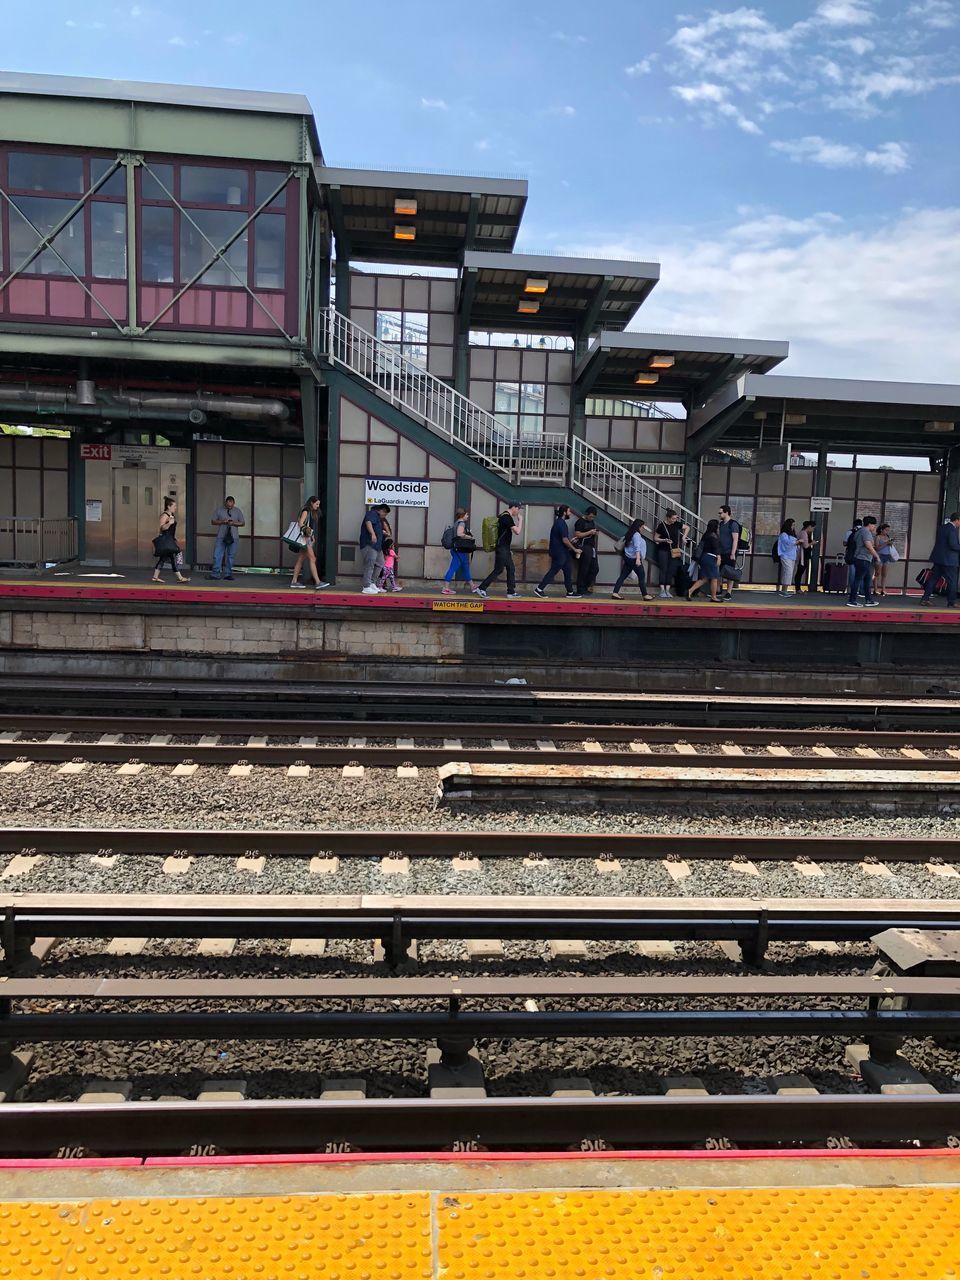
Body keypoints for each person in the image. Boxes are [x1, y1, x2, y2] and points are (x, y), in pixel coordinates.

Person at [477, 502, 522, 598]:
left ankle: (511, 591)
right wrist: (520, 520)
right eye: (518, 509)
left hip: (504, 548)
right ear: (514, 507)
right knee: (499, 569)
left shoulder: (502, 515)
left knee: (511, 568)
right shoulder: (506, 517)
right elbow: (517, 531)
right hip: (502, 548)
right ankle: (482, 588)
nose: (518, 511)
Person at [535, 504, 580, 598]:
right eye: (569, 511)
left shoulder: (560, 522)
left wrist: (570, 541)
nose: (570, 513)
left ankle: (570, 592)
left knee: (568, 570)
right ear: (564, 512)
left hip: (562, 551)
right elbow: (564, 540)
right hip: (559, 552)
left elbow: (564, 539)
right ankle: (539, 589)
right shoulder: (561, 523)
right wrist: (575, 549)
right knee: (554, 570)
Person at [920, 512, 960, 608]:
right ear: (957, 520)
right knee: (952, 581)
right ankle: (952, 601)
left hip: (939, 559)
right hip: (949, 560)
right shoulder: (952, 530)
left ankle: (925, 599)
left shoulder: (942, 528)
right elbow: (953, 545)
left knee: (933, 579)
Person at [290, 495, 329, 590]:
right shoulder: (306, 511)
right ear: (312, 502)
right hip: (305, 539)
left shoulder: (310, 512)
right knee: (312, 558)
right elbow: (301, 523)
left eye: (319, 504)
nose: (318, 506)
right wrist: (309, 534)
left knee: (301, 559)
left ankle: (294, 581)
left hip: (306, 538)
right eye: (317, 504)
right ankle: (318, 582)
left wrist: (312, 535)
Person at [612, 518, 654, 601]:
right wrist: (638, 559)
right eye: (642, 527)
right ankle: (645, 595)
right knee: (641, 576)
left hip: (628, 558)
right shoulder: (636, 535)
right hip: (634, 559)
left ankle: (615, 593)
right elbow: (637, 548)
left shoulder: (630, 533)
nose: (643, 529)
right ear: (639, 527)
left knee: (623, 576)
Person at [442, 507, 481, 596]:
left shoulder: (456, 523)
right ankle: (446, 588)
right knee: (453, 568)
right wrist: (469, 537)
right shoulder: (462, 523)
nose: (468, 516)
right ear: (463, 515)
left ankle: (472, 586)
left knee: (465, 567)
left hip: (457, 549)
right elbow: (459, 534)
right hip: (458, 550)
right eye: (467, 514)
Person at [152, 496, 190, 584]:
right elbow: (162, 527)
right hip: (166, 539)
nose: (175, 508)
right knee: (172, 557)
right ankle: (179, 577)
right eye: (174, 506)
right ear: (168, 506)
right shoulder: (164, 515)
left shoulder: (171, 515)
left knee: (164, 558)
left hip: (170, 539)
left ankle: (155, 577)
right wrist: (169, 523)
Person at [847, 514, 881, 608]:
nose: (875, 527)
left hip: (861, 558)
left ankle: (869, 600)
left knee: (867, 580)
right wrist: (876, 556)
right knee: (858, 580)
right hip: (863, 559)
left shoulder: (859, 531)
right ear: (869, 524)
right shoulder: (866, 532)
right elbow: (868, 545)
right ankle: (852, 600)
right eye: (874, 525)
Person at [209, 495, 245, 580]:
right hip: (221, 536)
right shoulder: (219, 510)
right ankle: (215, 574)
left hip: (234, 537)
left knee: (231, 556)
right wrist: (222, 521)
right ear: (225, 503)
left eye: (231, 505)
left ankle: (228, 574)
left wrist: (233, 523)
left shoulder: (237, 511)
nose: (230, 506)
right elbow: (213, 521)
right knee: (217, 555)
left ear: (234, 503)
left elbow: (243, 523)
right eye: (228, 505)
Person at [654, 510, 688, 599]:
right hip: (663, 549)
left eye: (675, 518)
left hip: (674, 550)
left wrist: (684, 537)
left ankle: (668, 590)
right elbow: (656, 538)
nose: (674, 520)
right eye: (673, 519)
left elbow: (687, 527)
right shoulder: (662, 525)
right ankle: (662, 590)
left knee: (671, 569)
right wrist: (664, 540)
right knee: (663, 568)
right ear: (668, 518)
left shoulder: (677, 524)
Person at [359, 502, 390, 595]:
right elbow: (368, 522)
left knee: (380, 563)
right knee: (370, 564)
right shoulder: (372, 513)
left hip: (377, 546)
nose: (384, 516)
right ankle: (366, 586)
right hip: (369, 544)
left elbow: (375, 527)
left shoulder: (378, 518)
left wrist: (382, 532)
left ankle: (372, 582)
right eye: (385, 514)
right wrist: (372, 534)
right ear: (381, 510)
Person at [688, 518, 723, 603]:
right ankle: (714, 597)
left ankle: (690, 591)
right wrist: (719, 557)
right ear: (716, 527)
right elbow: (716, 548)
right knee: (714, 578)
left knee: (705, 578)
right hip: (711, 558)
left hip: (703, 557)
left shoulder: (706, 535)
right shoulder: (714, 536)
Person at [573, 507, 600, 596]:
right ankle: (581, 588)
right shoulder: (580, 522)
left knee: (595, 568)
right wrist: (589, 532)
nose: (591, 518)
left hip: (591, 547)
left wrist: (594, 533)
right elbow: (577, 534)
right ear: (587, 514)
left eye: (593, 517)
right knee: (584, 568)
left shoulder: (591, 522)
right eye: (591, 516)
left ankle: (586, 585)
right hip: (583, 546)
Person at [718, 504, 742, 600]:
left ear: (726, 512)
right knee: (720, 571)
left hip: (729, 551)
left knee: (730, 572)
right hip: (721, 551)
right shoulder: (721, 524)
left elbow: (735, 539)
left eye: (720, 513)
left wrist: (733, 553)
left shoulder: (733, 524)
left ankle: (729, 592)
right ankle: (720, 589)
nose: (719, 515)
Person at [776, 518, 798, 597]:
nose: (793, 527)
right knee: (788, 571)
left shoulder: (792, 534)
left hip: (792, 556)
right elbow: (787, 543)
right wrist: (797, 542)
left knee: (789, 572)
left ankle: (784, 589)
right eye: (792, 525)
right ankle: (784, 590)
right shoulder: (784, 534)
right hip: (785, 555)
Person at [794, 519, 816, 593]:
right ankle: (798, 589)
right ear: (809, 526)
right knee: (800, 572)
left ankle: (798, 588)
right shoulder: (804, 533)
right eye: (813, 528)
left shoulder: (803, 532)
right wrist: (812, 543)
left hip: (804, 555)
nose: (813, 529)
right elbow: (806, 546)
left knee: (800, 572)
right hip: (803, 556)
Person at [843, 518, 863, 594]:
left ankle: (852, 591)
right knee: (862, 573)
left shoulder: (849, 532)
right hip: (862, 555)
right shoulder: (865, 532)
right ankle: (862, 591)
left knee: (852, 573)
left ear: (854, 524)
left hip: (852, 555)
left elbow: (844, 543)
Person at [875, 522, 895, 597]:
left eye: (888, 530)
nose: (887, 532)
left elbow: (889, 546)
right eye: (886, 530)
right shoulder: (878, 537)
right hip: (879, 556)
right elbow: (876, 548)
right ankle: (875, 589)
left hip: (887, 556)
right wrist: (886, 543)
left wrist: (890, 543)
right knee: (877, 573)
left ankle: (883, 589)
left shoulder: (887, 537)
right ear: (881, 530)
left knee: (884, 574)